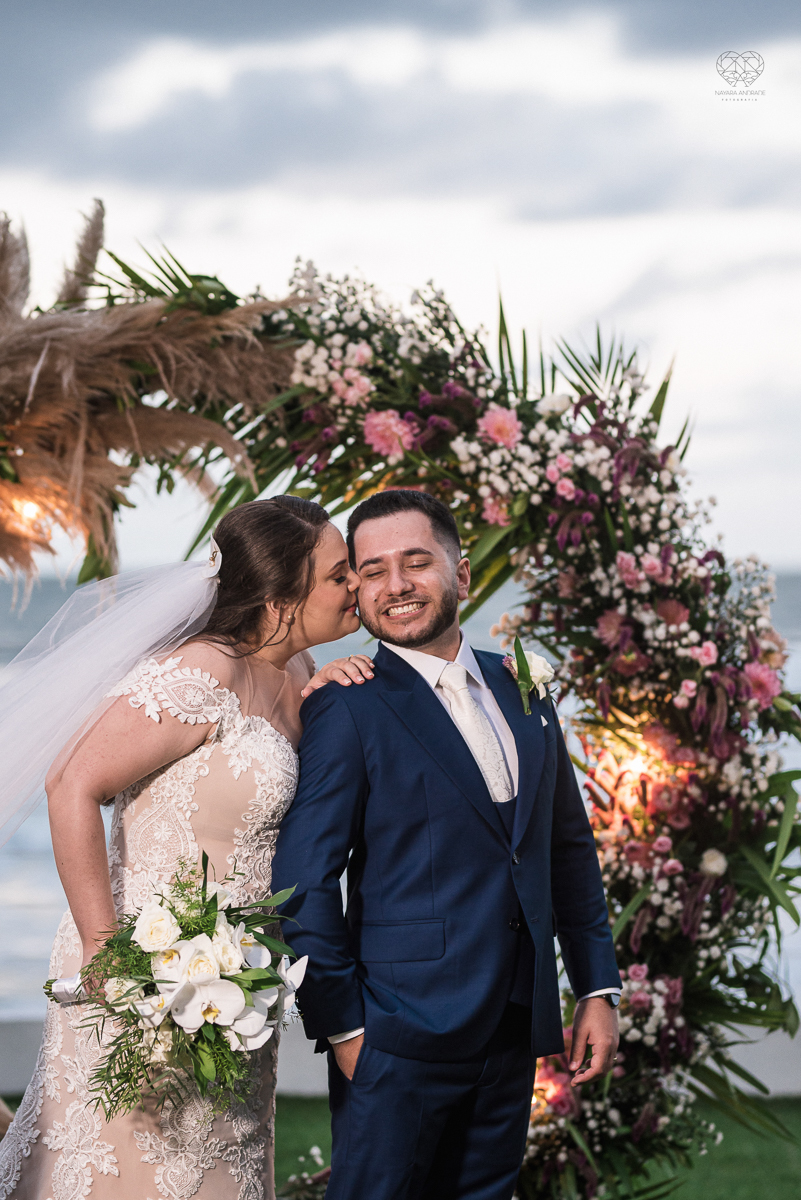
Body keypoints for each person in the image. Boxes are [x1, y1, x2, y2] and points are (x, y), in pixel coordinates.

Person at [0, 496, 373, 1200]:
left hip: (239, 984)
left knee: (220, 1166)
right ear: (279, 598)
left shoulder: (301, 673)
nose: (355, 585)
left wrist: (333, 695)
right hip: (142, 976)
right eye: (338, 573)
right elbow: (70, 784)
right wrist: (104, 948)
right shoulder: (201, 673)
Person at [271, 489, 622, 1200]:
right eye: (370, 571)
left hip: (513, 1025)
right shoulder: (347, 707)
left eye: (415, 562)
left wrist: (595, 985)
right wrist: (345, 1032)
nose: (394, 586)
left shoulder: (522, 686)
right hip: (396, 1035)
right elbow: (303, 883)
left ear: (461, 574)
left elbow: (565, 850)